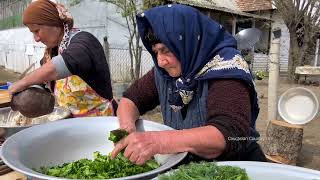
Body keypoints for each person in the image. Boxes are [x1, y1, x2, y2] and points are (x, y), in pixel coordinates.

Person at [111, 4, 266, 165]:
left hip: (237, 167)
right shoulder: (167, 71)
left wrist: (158, 141)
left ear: (187, 41)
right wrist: (126, 127)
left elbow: (226, 134)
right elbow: (131, 99)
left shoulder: (227, 68)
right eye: (156, 52)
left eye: (166, 50)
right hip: (193, 168)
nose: (160, 61)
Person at [9, 0, 116, 117]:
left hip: (100, 121)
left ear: (52, 23)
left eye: (37, 31)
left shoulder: (84, 42)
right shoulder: (50, 54)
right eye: (32, 33)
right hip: (69, 124)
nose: (36, 39)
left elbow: (63, 64)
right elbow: (44, 84)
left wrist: (22, 82)